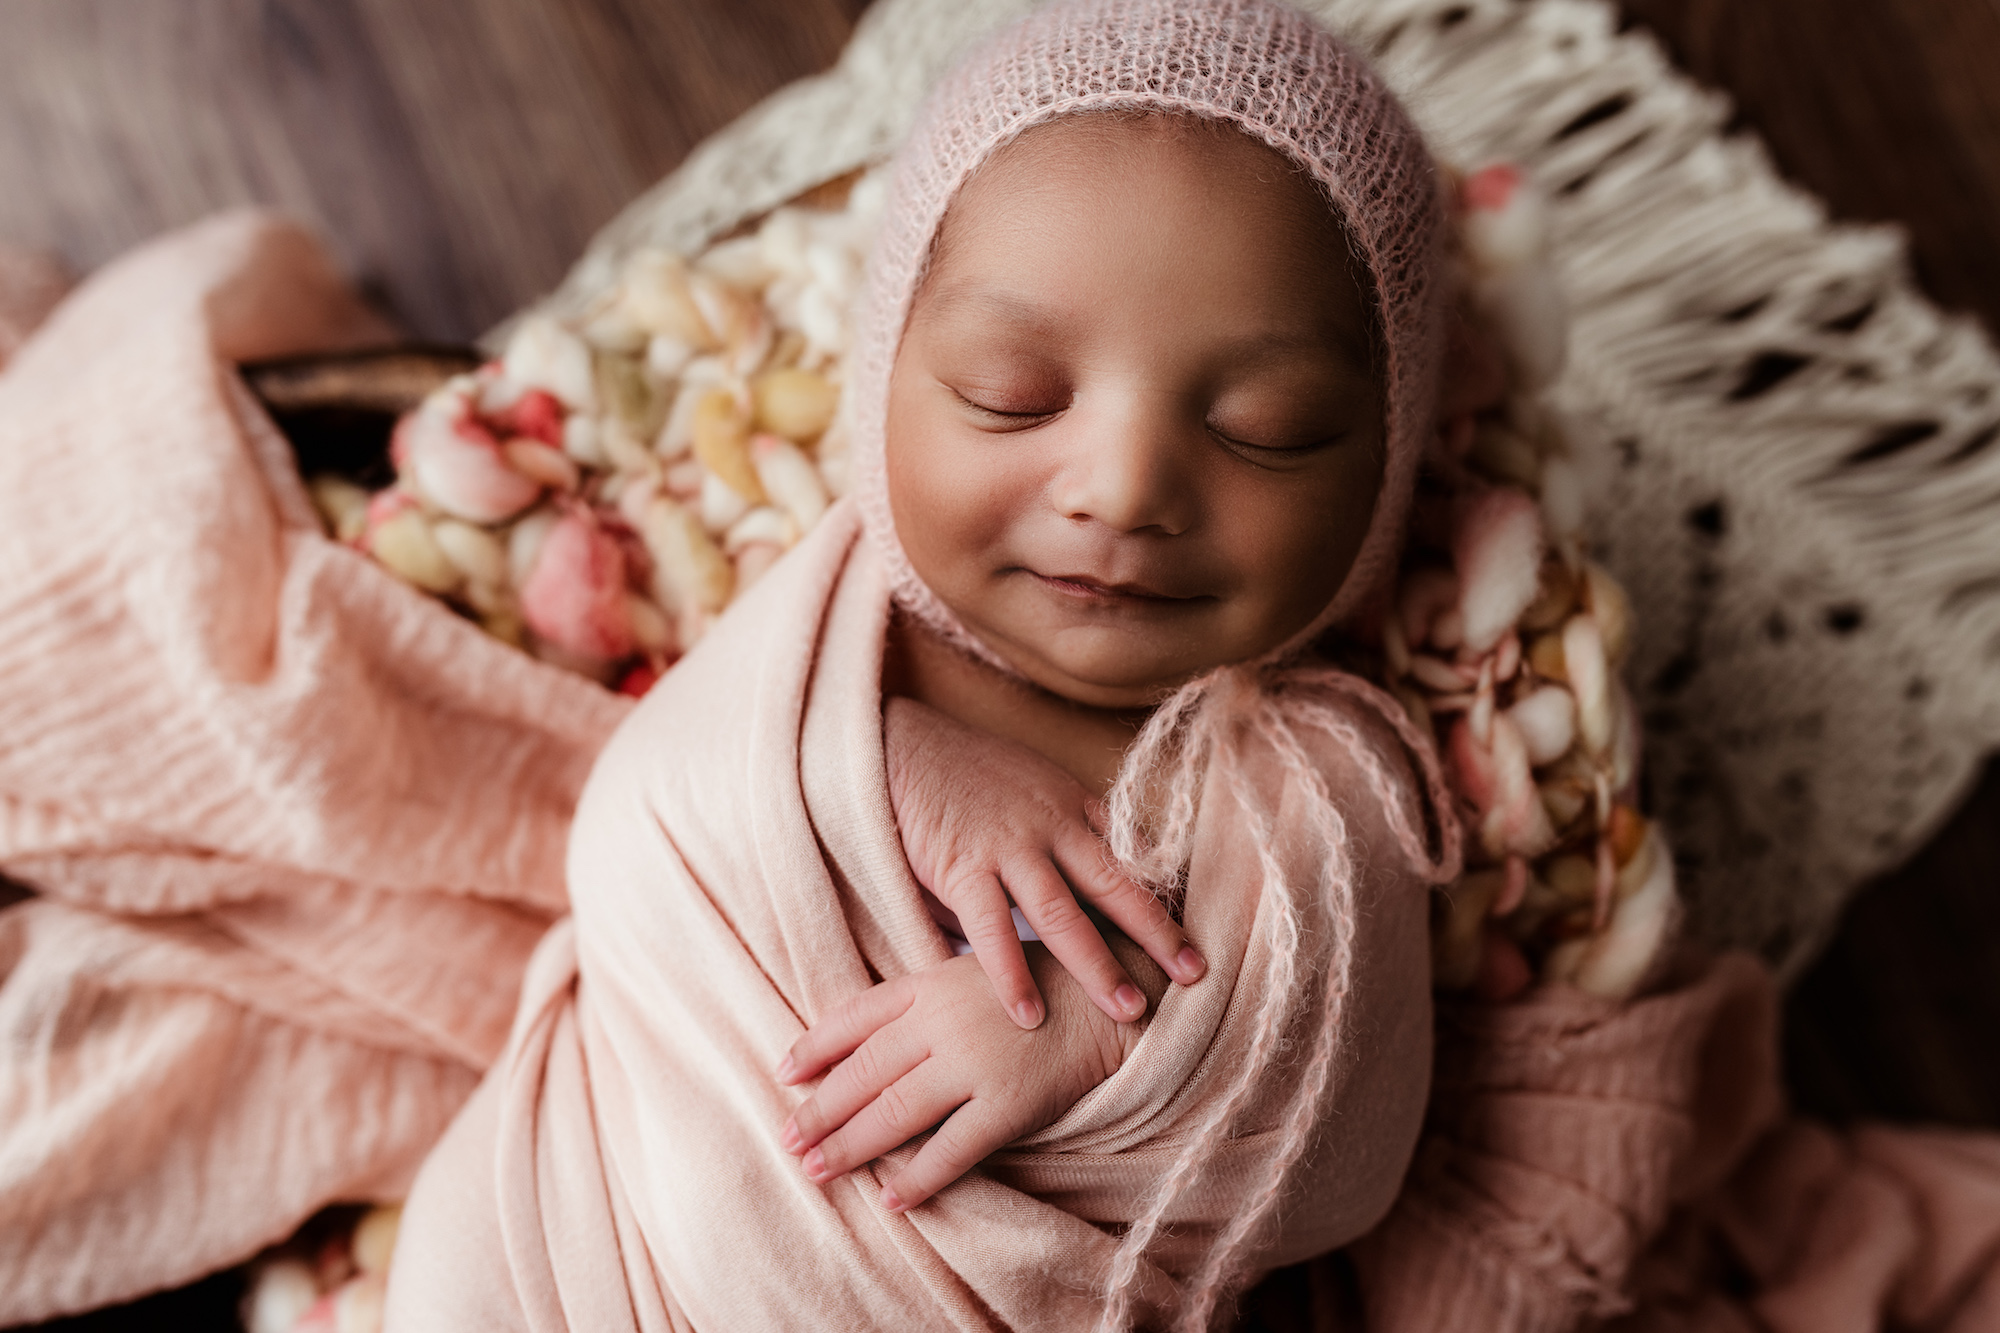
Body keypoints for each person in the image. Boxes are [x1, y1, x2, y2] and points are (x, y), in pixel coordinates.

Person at [383, 2, 1462, 1328]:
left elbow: (1348, 1137)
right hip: (589, 1237)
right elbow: (634, 838)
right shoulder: (833, 633)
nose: (1122, 487)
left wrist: (1104, 1022)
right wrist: (886, 770)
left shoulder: (1309, 775)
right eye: (1011, 392)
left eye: (1267, 429)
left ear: (1390, 464)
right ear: (883, 381)